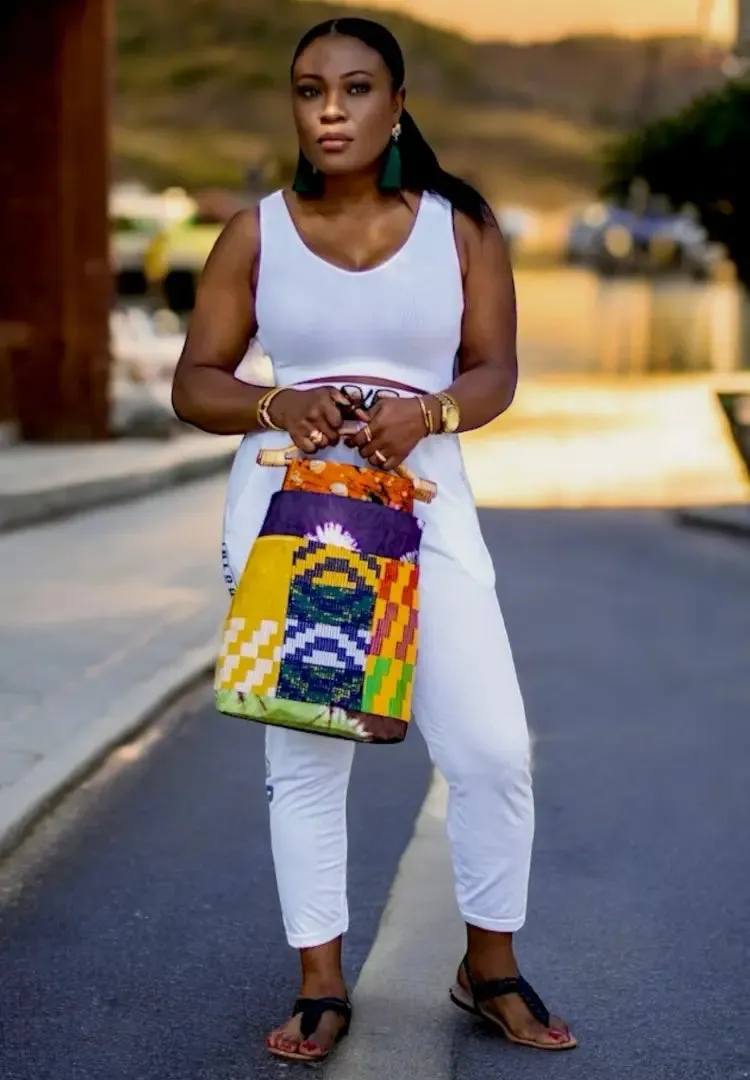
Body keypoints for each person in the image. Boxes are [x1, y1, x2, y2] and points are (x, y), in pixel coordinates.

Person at [171, 16, 576, 1064]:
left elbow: (495, 369)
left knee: (489, 746)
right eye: (311, 92)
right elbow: (196, 382)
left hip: (426, 502)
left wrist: (429, 413)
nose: (332, 110)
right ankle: (320, 982)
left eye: (356, 90)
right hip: (293, 511)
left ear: (398, 105)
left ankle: (490, 967)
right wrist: (278, 401)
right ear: (296, 107)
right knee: (309, 744)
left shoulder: (460, 227)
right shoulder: (256, 231)